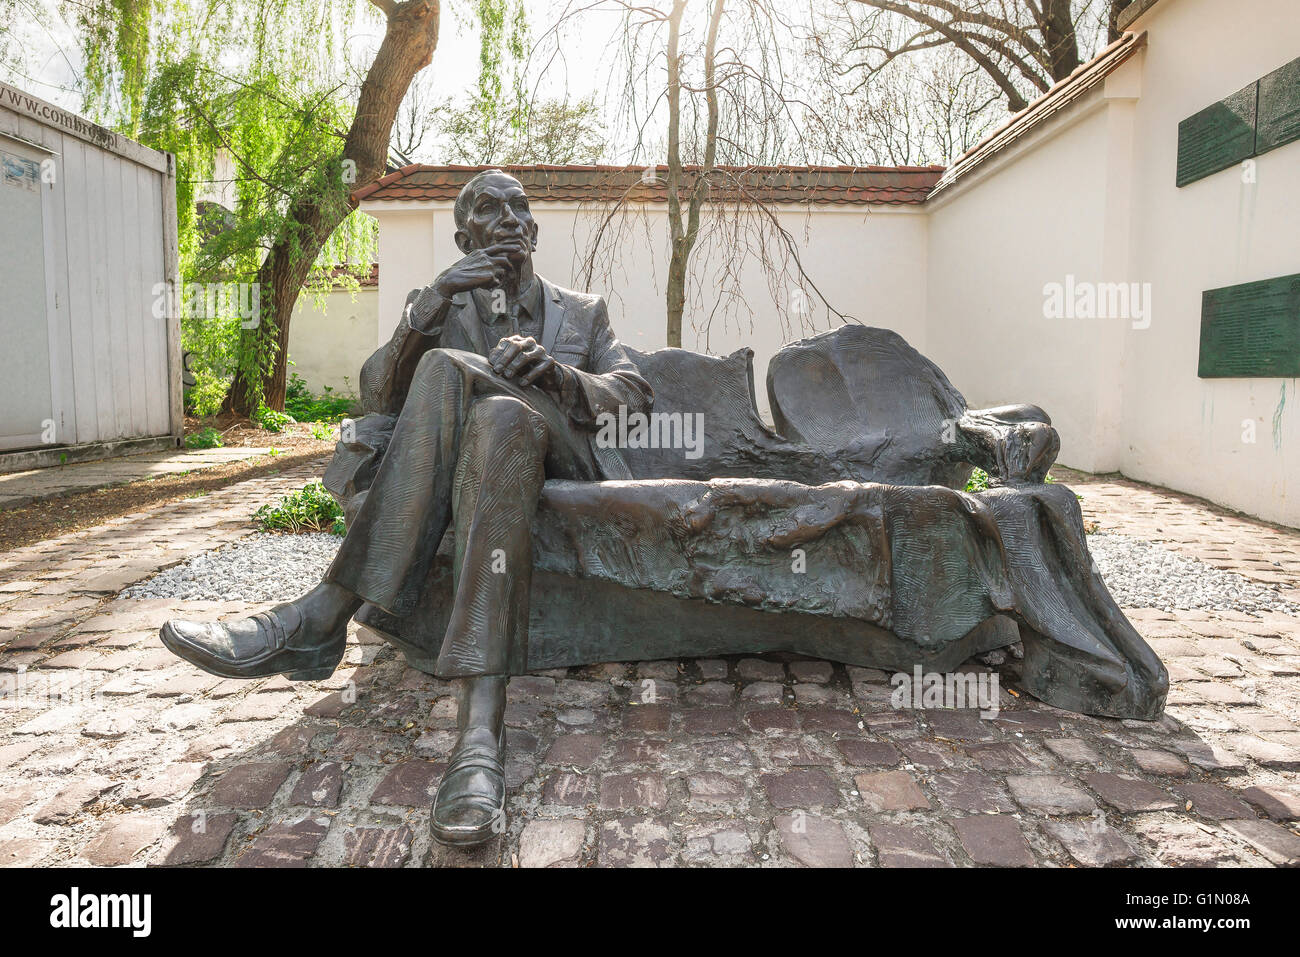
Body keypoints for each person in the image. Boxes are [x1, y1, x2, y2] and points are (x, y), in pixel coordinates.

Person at [160, 169, 653, 846]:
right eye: (488, 208)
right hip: (493, 460)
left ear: (533, 231)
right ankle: (479, 730)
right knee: (496, 422)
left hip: (565, 454)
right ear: (464, 235)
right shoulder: (443, 309)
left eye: (519, 209)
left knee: (455, 375)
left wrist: (561, 374)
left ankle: (324, 612)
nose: (508, 218)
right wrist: (429, 302)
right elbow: (375, 395)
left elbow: (633, 394)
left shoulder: (583, 311)